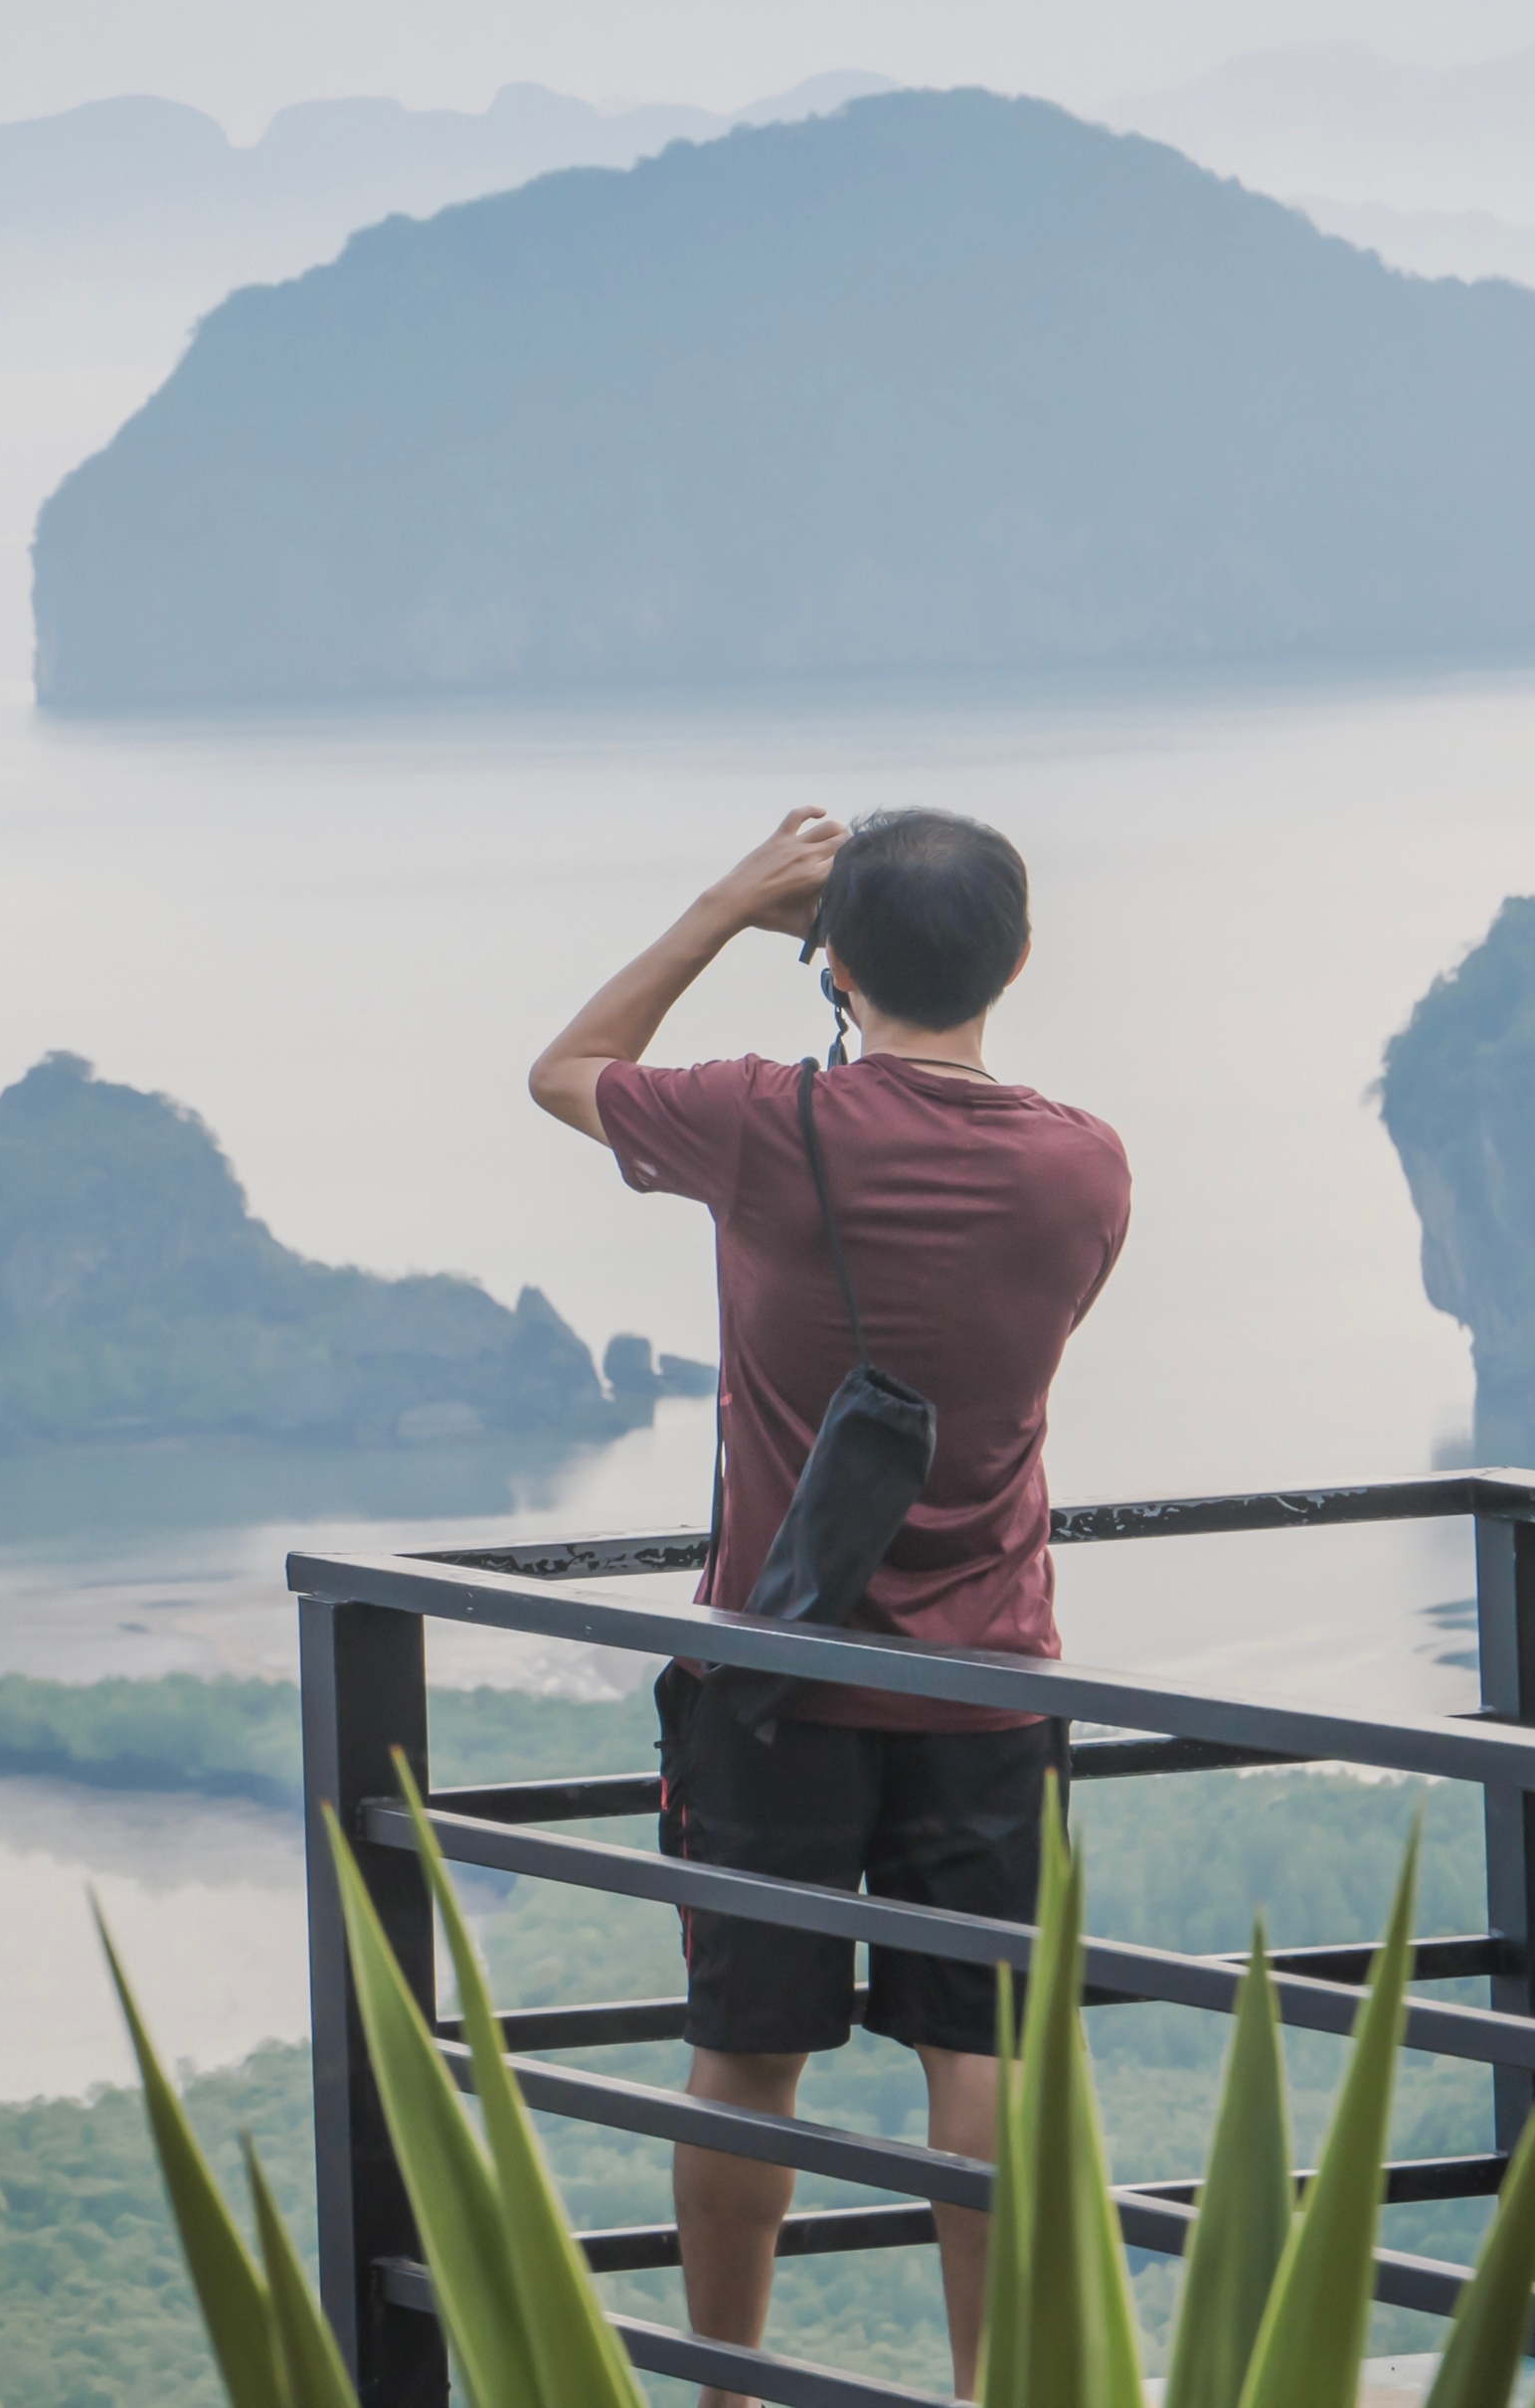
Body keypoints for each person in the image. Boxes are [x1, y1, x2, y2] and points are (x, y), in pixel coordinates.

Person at [529, 803, 1130, 2406]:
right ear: (1015, 957)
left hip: (775, 1680)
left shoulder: (762, 1123)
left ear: (835, 963)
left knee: (747, 2059)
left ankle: (726, 2390)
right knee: (983, 2056)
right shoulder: (1082, 1165)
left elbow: (565, 1070)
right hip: (990, 1684)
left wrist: (728, 901)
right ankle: (1000, 2387)